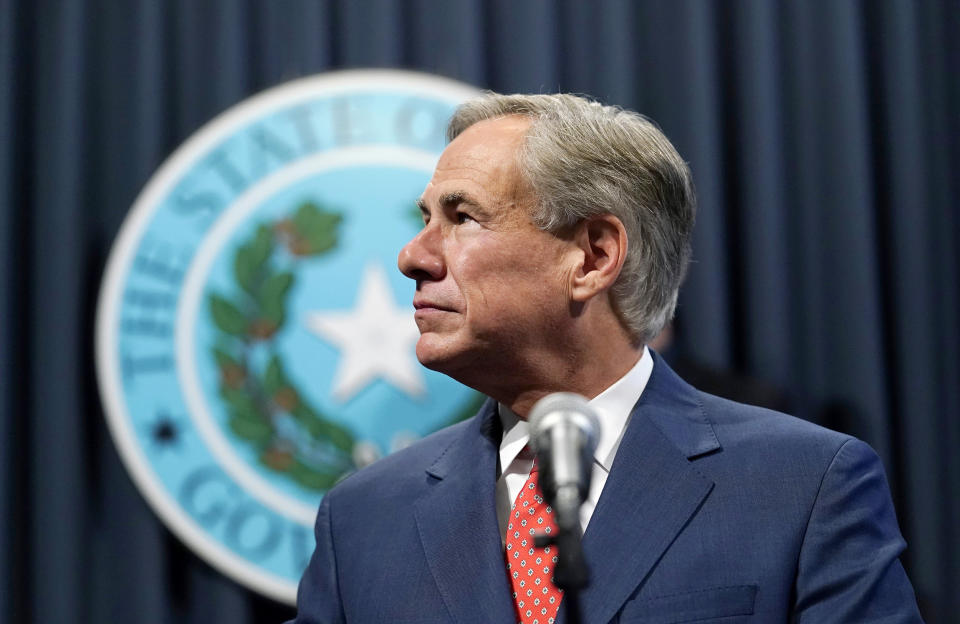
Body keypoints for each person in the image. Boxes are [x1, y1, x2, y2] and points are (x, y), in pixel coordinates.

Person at [289, 93, 922, 623]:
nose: (413, 256)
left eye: (463, 217)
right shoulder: (363, 520)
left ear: (592, 256)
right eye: (426, 217)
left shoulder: (804, 486)